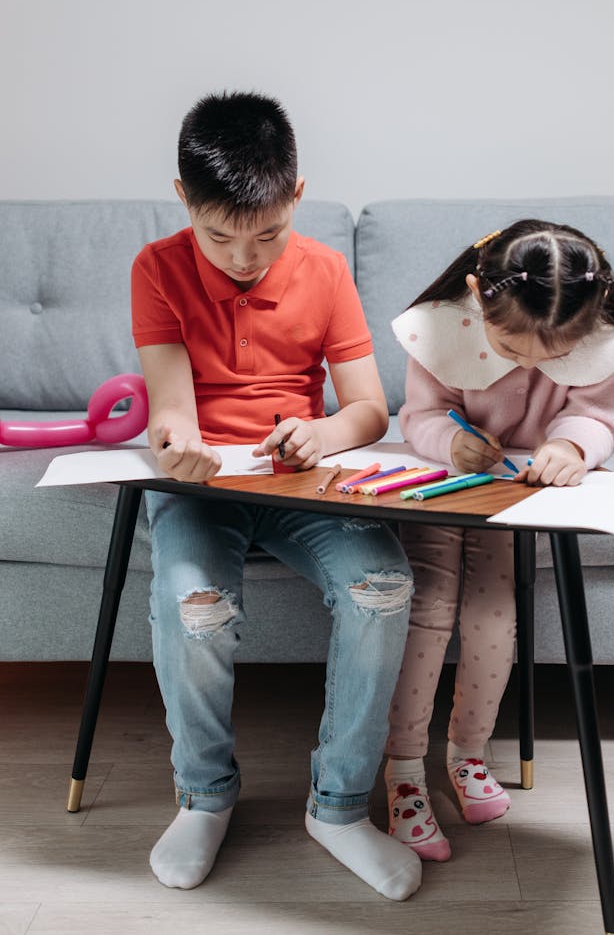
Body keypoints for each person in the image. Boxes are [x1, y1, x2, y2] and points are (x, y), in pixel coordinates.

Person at [131, 91, 421, 900]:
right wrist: (178, 448)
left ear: (297, 196)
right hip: (200, 489)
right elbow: (169, 410)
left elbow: (368, 407)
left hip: (302, 481)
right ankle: (204, 796)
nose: (242, 257)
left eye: (266, 235)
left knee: (384, 586)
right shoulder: (156, 268)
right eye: (219, 235)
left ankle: (338, 809)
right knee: (194, 605)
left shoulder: (325, 271)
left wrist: (322, 434)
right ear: (185, 199)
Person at [384, 219, 614, 861]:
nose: (532, 364)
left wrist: (572, 444)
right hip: (444, 480)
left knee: (496, 613)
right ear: (477, 295)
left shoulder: (595, 329)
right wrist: (449, 441)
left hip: (515, 491)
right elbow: (420, 415)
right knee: (427, 605)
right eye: (513, 347)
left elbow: (598, 416)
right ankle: (404, 769)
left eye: (554, 355)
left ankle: (467, 755)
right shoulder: (442, 324)